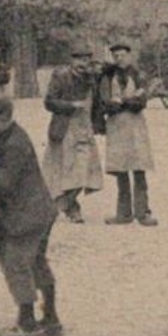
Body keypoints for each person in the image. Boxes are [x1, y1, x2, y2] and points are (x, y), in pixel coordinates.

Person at [0, 94, 61, 336]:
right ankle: (51, 319)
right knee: (37, 262)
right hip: (40, 210)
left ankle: (27, 324)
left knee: (16, 263)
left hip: (27, 214)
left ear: (1, 117)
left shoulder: (14, 143)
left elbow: (5, 184)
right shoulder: (8, 136)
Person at [43, 45, 105, 222]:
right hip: (64, 129)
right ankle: (72, 209)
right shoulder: (61, 76)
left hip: (84, 130)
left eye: (86, 60)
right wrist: (71, 105)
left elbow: (97, 103)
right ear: (72, 60)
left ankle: (62, 205)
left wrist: (99, 124)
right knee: (63, 171)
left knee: (83, 172)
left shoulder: (92, 79)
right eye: (79, 60)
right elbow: (49, 102)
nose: (82, 64)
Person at [98, 42, 156, 226]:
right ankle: (123, 214)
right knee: (121, 171)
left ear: (129, 56)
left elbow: (141, 103)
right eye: (116, 56)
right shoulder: (107, 77)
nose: (119, 59)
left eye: (122, 55)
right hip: (116, 127)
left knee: (139, 169)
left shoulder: (139, 75)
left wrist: (121, 101)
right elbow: (105, 104)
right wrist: (128, 100)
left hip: (136, 126)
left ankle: (143, 213)